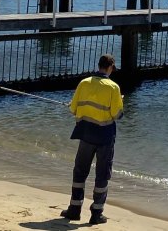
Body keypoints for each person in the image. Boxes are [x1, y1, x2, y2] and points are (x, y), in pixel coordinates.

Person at [60, 54, 123, 225]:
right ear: (110, 67)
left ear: (99, 65)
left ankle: (74, 209)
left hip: (86, 134)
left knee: (80, 172)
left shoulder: (84, 83)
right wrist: (120, 103)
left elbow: (73, 109)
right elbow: (117, 114)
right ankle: (96, 213)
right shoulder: (113, 87)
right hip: (105, 137)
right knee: (102, 175)